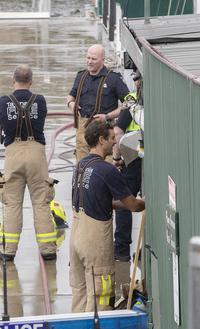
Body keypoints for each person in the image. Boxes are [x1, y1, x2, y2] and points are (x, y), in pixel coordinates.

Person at [69, 120, 145, 313]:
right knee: (100, 295)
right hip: (94, 241)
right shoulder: (107, 170)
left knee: (81, 292)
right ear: (101, 140)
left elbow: (100, 201)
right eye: (112, 139)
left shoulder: (80, 166)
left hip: (76, 236)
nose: (115, 143)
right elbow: (133, 206)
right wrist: (148, 202)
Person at [0, 65, 58, 261]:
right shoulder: (39, 100)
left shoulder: (4, 101)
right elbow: (41, 119)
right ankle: (48, 250)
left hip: (13, 153)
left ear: (13, 80)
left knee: (12, 204)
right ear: (31, 81)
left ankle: (7, 251)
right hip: (36, 153)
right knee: (41, 203)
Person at [66, 44, 130, 161]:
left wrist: (107, 116)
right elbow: (70, 96)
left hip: (104, 129)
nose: (89, 61)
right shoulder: (81, 76)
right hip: (83, 129)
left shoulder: (113, 79)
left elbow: (128, 103)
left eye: (93, 59)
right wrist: (72, 105)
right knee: (82, 166)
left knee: (106, 167)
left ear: (103, 60)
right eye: (88, 58)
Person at [112, 70, 144, 262]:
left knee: (124, 201)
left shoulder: (132, 100)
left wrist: (117, 158)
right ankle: (146, 249)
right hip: (153, 155)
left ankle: (122, 250)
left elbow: (117, 131)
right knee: (152, 203)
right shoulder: (160, 97)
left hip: (132, 157)